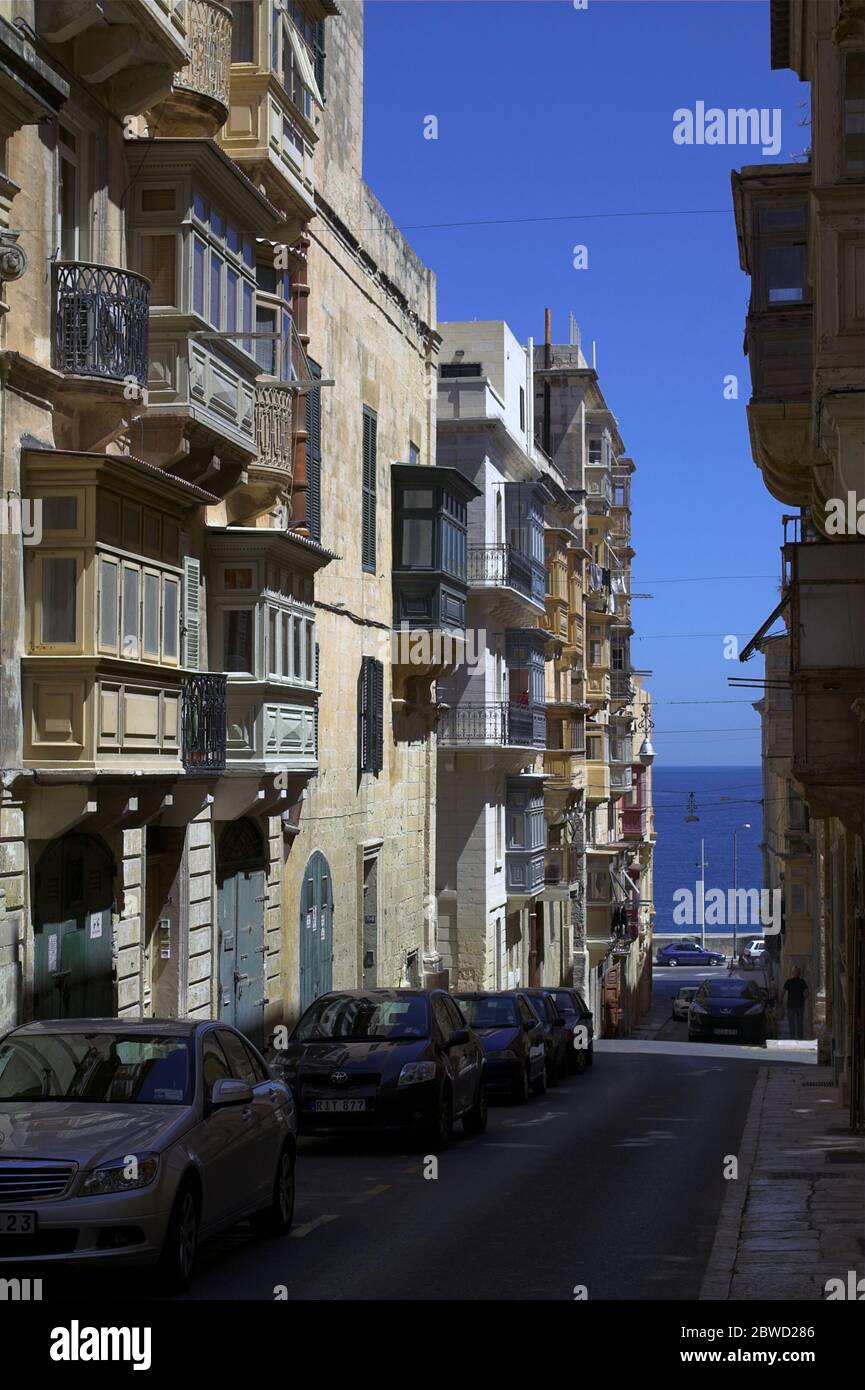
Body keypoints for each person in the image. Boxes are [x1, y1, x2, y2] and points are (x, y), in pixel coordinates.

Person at [782, 966, 809, 1040]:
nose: (797, 973)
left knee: (792, 1022)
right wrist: (803, 999)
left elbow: (783, 992)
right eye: (797, 972)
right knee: (799, 1022)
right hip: (799, 1005)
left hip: (792, 1005)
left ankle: (793, 1036)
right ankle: (799, 1037)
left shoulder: (789, 981)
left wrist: (781, 1001)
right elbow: (807, 992)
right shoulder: (802, 981)